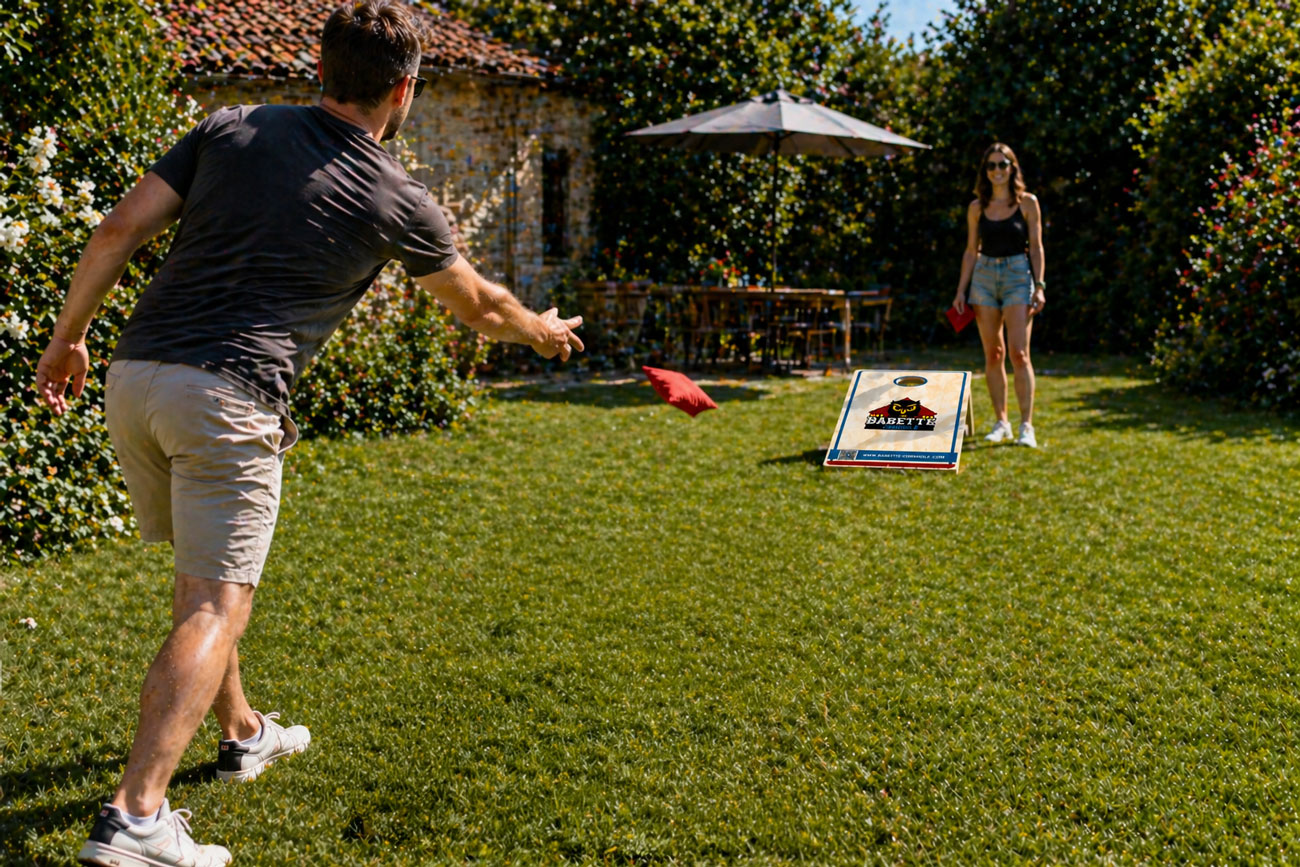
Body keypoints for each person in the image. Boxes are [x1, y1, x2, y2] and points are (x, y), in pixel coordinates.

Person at [32, 3, 583, 865]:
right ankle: (136, 817)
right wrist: (541, 331)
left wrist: (68, 337)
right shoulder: (394, 194)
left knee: (204, 582)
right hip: (226, 397)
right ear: (404, 90)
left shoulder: (230, 127)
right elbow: (481, 308)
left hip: (135, 378)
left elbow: (117, 230)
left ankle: (244, 732)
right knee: (216, 603)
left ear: (320, 69)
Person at [951, 142, 1046, 448]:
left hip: (1018, 275)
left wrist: (1039, 285)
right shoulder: (977, 207)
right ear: (986, 171)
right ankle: (1001, 421)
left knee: (1019, 353)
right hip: (984, 277)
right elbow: (970, 251)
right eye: (991, 165)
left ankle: (1026, 426)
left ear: (1012, 167)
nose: (997, 171)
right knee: (994, 354)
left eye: (1002, 164)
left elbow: (1036, 246)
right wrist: (961, 290)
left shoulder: (1028, 203)